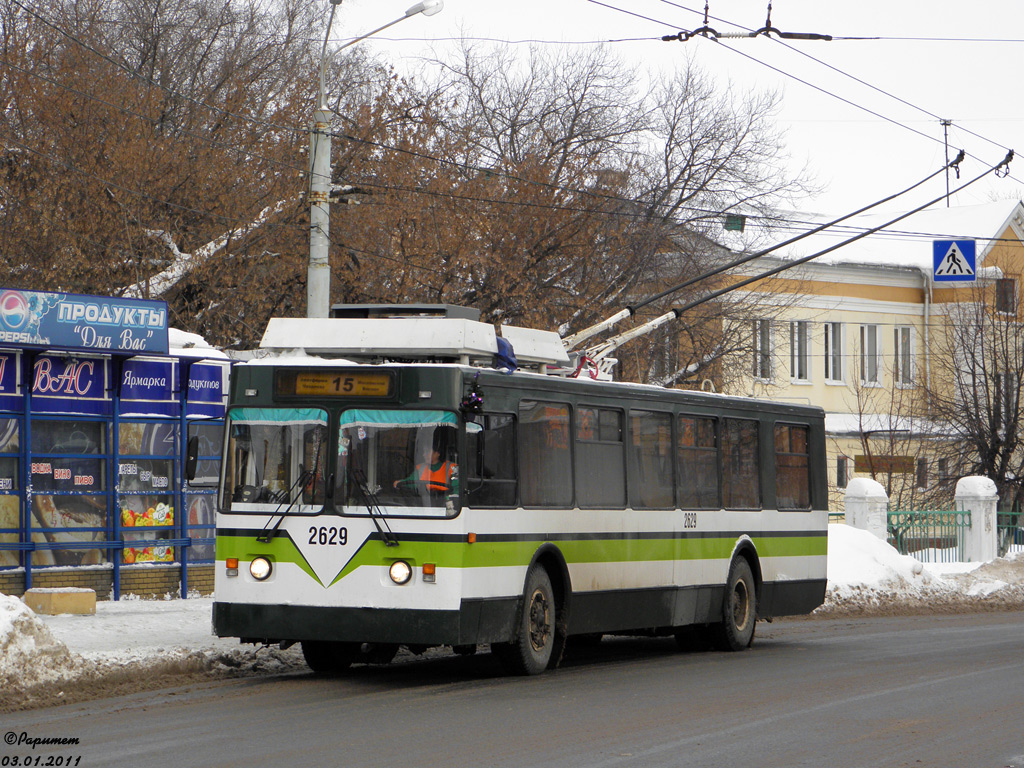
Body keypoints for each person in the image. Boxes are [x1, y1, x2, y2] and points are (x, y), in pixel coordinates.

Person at [393, 446, 457, 493]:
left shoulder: (453, 468)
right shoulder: (420, 468)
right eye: (424, 452)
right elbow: (411, 481)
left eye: (427, 452)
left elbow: (457, 489)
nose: (424, 455)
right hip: (424, 504)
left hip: (445, 505)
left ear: (437, 453)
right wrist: (400, 482)